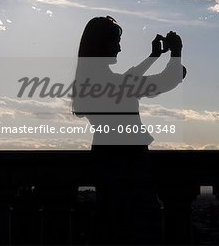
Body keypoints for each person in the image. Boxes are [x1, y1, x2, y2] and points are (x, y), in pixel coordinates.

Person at [72, 16, 186, 244]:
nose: (119, 47)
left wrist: (153, 57)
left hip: (107, 165)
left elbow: (128, 81)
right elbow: (167, 80)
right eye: (115, 41)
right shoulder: (111, 84)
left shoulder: (88, 82)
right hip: (131, 167)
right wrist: (176, 54)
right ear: (101, 44)